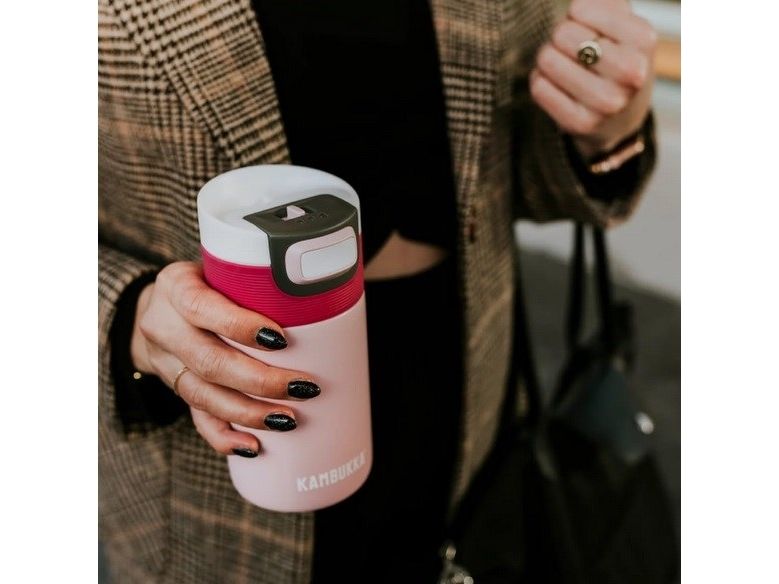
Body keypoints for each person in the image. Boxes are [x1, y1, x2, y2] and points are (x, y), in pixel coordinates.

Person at [98, 0, 657, 581]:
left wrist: (607, 134)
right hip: (212, 458)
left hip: (461, 392)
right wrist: (134, 316)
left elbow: (511, 168)